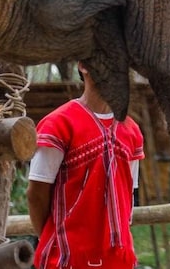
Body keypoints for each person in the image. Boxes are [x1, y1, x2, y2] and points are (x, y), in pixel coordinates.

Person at [27, 62, 145, 269]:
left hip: (119, 260)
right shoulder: (58, 124)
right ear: (83, 66)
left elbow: (127, 197)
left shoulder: (131, 130)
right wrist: (56, 241)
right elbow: (36, 194)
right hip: (67, 260)